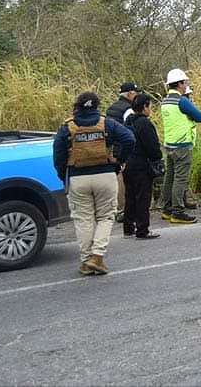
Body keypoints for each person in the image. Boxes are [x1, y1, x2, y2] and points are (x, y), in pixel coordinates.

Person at [53, 91, 135, 276]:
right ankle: (97, 256)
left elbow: (58, 156)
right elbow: (129, 139)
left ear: (77, 106)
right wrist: (120, 161)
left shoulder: (67, 127)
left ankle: (85, 261)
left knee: (84, 219)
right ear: (97, 106)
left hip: (77, 177)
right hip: (105, 175)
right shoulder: (107, 123)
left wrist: (64, 176)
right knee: (106, 217)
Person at [160, 68, 201, 224]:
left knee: (169, 178)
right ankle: (178, 211)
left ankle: (167, 209)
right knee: (180, 179)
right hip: (182, 144)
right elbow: (200, 117)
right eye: (185, 82)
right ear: (179, 84)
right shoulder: (182, 101)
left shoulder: (165, 100)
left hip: (170, 144)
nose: (186, 85)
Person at [122, 93, 162, 239]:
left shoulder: (127, 122)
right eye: (149, 106)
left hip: (127, 164)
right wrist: (157, 158)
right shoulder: (144, 123)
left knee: (130, 196)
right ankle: (142, 229)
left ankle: (128, 227)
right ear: (145, 107)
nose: (150, 109)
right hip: (141, 165)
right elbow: (152, 146)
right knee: (143, 197)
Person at [105, 81, 139, 222]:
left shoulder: (111, 108)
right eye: (136, 93)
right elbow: (131, 131)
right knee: (127, 180)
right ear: (130, 93)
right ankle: (125, 211)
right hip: (125, 148)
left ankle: (119, 210)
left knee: (118, 179)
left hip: (113, 147)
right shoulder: (129, 110)